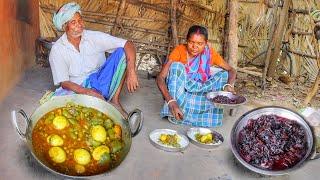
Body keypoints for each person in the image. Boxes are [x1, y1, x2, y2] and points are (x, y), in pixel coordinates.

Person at [49, 2, 139, 117]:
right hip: (78, 87)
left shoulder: (93, 37)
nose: (79, 24)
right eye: (73, 22)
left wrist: (131, 71)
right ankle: (97, 101)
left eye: (80, 20)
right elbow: (64, 82)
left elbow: (128, 44)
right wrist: (87, 92)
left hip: (101, 80)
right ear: (64, 27)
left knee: (122, 52)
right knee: (69, 114)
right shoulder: (57, 49)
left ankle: (114, 101)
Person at [156, 25, 236, 127]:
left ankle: (204, 116)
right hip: (182, 94)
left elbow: (231, 70)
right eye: (191, 42)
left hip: (201, 93)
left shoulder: (210, 53)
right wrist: (170, 101)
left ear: (206, 43)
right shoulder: (179, 50)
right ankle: (178, 111)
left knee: (224, 74)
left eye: (200, 43)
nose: (195, 47)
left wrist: (229, 84)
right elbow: (160, 78)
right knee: (176, 67)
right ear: (187, 41)